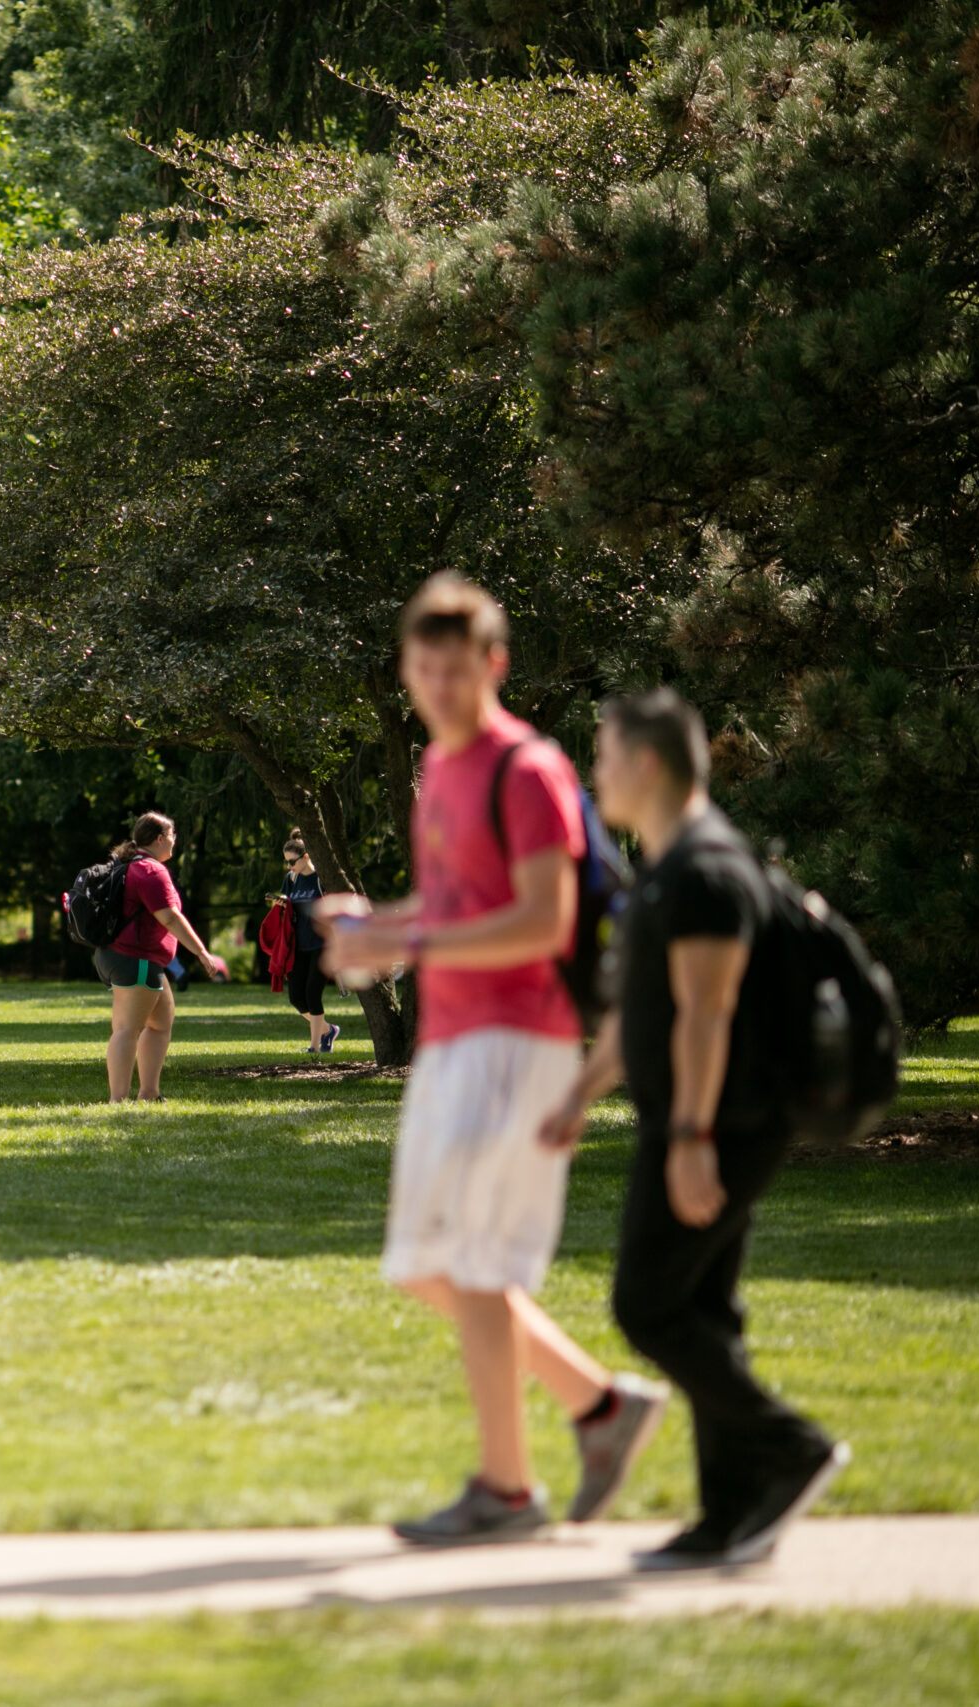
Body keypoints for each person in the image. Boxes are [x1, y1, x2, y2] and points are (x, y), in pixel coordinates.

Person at [322, 573, 665, 1546]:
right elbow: (453, 911)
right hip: (454, 1042)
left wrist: (408, 947)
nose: (436, 685)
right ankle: (599, 1407)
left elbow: (541, 918)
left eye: (453, 669)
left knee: (470, 1263)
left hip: (522, 1038)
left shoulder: (526, 768)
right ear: (405, 669)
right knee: (422, 1263)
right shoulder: (444, 768)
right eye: (421, 669)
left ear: (493, 665)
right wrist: (374, 925)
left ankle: (506, 1491)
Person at [540, 688, 848, 1570]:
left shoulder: (710, 869)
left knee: (648, 1302)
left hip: (722, 1121)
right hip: (700, 1117)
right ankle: (730, 1512)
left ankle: (789, 1446)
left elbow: (707, 1015)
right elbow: (650, 1008)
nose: (596, 776)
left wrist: (688, 1137)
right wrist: (582, 1093)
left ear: (645, 764)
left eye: (602, 759)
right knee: (705, 1309)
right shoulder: (672, 863)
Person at [93, 811, 233, 1102]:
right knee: (126, 1029)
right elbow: (170, 917)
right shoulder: (152, 871)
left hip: (126, 958)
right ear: (159, 839)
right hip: (135, 959)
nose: (174, 841)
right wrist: (202, 953)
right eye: (172, 835)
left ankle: (149, 1093)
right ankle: (117, 1100)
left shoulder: (128, 864)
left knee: (160, 1023)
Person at [281, 835, 339, 1053]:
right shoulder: (291, 879)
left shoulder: (320, 879)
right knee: (296, 998)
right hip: (299, 945)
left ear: (305, 857)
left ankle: (314, 1047)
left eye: (292, 861)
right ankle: (328, 1030)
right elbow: (286, 906)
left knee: (313, 993)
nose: (289, 866)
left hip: (322, 945)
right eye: (286, 862)